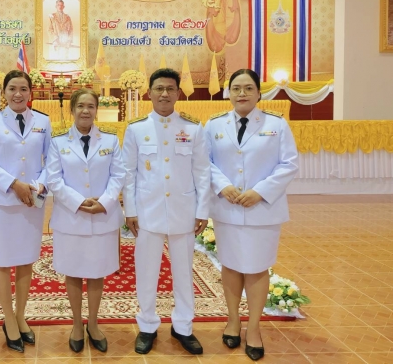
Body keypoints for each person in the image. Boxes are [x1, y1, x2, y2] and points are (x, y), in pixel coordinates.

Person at [204, 69, 298, 361]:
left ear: (259, 93)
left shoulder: (277, 125)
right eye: (236, 88)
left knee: (257, 268)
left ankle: (254, 328)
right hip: (227, 206)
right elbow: (203, 162)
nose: (241, 93)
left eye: (248, 88)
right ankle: (233, 320)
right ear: (228, 93)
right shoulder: (214, 125)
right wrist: (223, 186)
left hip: (262, 209)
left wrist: (260, 191)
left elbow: (289, 164)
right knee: (230, 265)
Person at [122, 68, 211, 356]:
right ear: (149, 92)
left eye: (170, 88)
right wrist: (131, 210)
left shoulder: (194, 128)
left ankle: (183, 326)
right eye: (158, 88)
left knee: (184, 271)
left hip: (183, 210)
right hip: (148, 212)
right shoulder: (136, 129)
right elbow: (128, 174)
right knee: (146, 271)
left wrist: (202, 210)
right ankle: (147, 325)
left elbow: (202, 172)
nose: (164, 94)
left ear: (177, 92)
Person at [0, 70, 51, 353]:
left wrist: (38, 185)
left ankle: (21, 316)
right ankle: (8, 318)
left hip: (31, 202)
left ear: (31, 92)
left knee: (25, 260)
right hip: (2, 203)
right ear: (4, 92)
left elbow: (51, 159)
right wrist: (13, 184)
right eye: (12, 89)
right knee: (1, 260)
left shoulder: (42, 121)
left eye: (23, 89)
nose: (18, 94)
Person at [45, 88, 126, 353]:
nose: (85, 111)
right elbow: (54, 179)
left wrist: (103, 202)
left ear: (96, 109)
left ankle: (93, 323)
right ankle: (77, 324)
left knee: (96, 272)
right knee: (73, 270)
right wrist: (79, 202)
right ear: (72, 109)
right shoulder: (58, 142)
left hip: (103, 216)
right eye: (80, 106)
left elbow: (118, 175)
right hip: (71, 217)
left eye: (91, 106)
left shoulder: (110, 141)